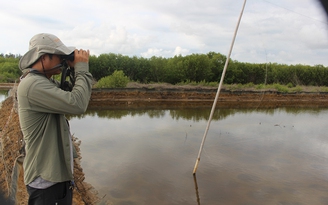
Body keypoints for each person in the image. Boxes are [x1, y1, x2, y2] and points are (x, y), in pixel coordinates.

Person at [17, 33, 93, 205]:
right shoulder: (33, 85)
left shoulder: (44, 82)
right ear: (44, 57)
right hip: (46, 182)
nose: (62, 60)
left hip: (55, 177)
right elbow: (77, 104)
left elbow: (77, 94)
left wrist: (73, 69)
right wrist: (82, 69)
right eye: (59, 56)